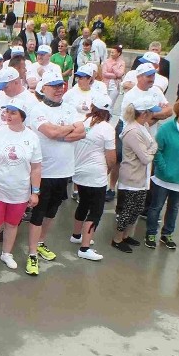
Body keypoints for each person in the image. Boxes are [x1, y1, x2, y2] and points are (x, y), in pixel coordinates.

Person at [24, 75, 84, 275]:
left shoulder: (69, 108)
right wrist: (67, 130)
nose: (59, 89)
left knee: (51, 213)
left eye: (62, 86)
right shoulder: (38, 109)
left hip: (64, 172)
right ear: (44, 88)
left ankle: (41, 243)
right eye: (55, 86)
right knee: (38, 214)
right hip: (44, 172)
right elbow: (49, 132)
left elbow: (82, 132)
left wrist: (61, 134)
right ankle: (32, 253)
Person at [0, 97, 42, 270]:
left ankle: (6, 253)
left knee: (12, 224)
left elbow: (36, 167)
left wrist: (35, 192)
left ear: (22, 116)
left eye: (13, 113)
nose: (8, 115)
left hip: (20, 191)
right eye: (7, 111)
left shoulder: (31, 137)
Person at [144, 97, 179, 250]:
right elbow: (157, 151)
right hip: (164, 178)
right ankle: (150, 233)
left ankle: (167, 234)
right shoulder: (166, 129)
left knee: (174, 208)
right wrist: (164, 169)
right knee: (156, 207)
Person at [112, 94, 160, 253]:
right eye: (151, 112)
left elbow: (152, 146)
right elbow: (146, 157)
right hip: (132, 177)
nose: (154, 114)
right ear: (144, 113)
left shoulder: (143, 127)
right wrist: (152, 149)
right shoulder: (133, 131)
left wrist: (151, 148)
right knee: (127, 211)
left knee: (137, 209)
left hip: (141, 178)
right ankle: (117, 238)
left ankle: (126, 236)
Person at [71, 94, 116, 260]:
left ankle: (76, 235)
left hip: (79, 171)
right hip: (96, 174)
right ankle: (84, 249)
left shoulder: (82, 122)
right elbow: (111, 158)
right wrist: (107, 171)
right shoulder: (107, 128)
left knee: (83, 203)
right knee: (96, 210)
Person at [0, 66, 38, 136]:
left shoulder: (30, 101)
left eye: (5, 87)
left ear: (16, 82)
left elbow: (30, 131)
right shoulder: (0, 94)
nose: (3, 89)